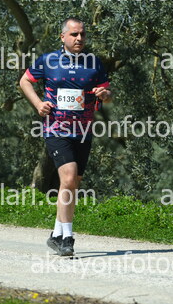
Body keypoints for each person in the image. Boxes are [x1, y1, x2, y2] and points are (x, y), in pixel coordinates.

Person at [19, 17, 112, 256]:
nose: (79, 38)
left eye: (82, 34)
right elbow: (25, 81)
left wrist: (104, 94)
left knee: (73, 182)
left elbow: (107, 93)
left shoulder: (94, 63)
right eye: (74, 34)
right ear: (63, 37)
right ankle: (67, 239)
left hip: (83, 131)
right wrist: (38, 104)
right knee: (69, 178)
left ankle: (56, 234)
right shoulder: (48, 60)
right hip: (56, 129)